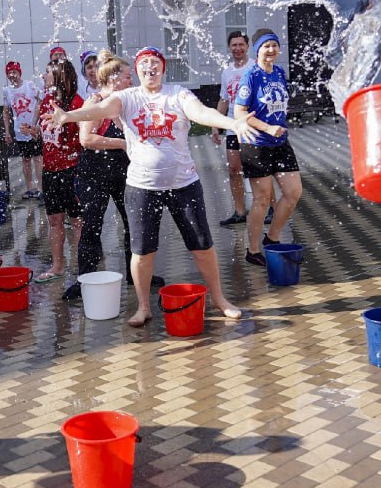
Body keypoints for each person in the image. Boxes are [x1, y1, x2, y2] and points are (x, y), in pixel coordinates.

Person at [44, 47, 258, 327]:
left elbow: (201, 112)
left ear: (162, 68)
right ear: (137, 69)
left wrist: (232, 123)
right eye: (144, 63)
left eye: (155, 63)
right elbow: (100, 109)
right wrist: (68, 117)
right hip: (141, 188)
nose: (150, 67)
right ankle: (143, 307)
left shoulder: (176, 93)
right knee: (142, 251)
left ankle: (220, 299)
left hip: (184, 185)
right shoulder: (127, 97)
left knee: (202, 245)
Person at [64, 51, 163, 302]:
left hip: (124, 173)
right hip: (93, 175)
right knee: (92, 227)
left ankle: (137, 275)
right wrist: (121, 143)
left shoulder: (127, 102)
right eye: (128, 76)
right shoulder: (95, 102)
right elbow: (86, 139)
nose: (133, 80)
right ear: (114, 79)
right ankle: (84, 280)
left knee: (134, 224)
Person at [235, 31, 302, 267]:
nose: (271, 50)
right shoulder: (250, 76)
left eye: (275, 45)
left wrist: (278, 127)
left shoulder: (280, 73)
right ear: (257, 50)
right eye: (266, 46)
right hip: (256, 144)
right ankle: (253, 250)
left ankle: (271, 237)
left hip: (280, 142)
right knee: (262, 200)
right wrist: (267, 127)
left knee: (293, 193)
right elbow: (239, 114)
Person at [35, 57, 83, 284]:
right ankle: (58, 266)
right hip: (50, 170)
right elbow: (45, 133)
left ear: (60, 76)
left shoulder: (76, 103)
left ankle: (84, 267)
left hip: (71, 169)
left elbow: (85, 137)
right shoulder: (46, 101)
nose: (43, 76)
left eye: (47, 72)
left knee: (77, 220)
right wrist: (34, 132)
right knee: (54, 219)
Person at [213, 31, 252, 226]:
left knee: (258, 169)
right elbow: (224, 99)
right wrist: (215, 125)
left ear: (247, 46)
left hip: (253, 127)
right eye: (234, 45)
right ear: (229, 48)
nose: (237, 48)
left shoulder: (255, 67)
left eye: (241, 45)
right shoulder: (227, 72)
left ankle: (269, 207)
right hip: (232, 127)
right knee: (234, 169)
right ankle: (239, 211)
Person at [2, 61, 42, 199]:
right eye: (9, 73)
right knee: (25, 159)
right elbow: (6, 112)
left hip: (34, 129)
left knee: (38, 158)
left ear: (19, 72)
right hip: (20, 131)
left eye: (14, 72)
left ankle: (41, 189)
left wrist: (35, 123)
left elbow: (40, 101)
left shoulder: (30, 85)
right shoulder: (7, 91)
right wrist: (7, 131)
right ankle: (30, 188)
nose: (12, 75)